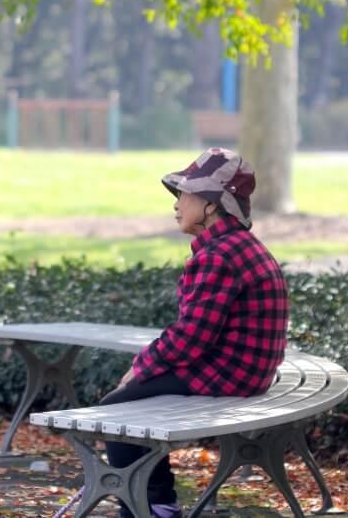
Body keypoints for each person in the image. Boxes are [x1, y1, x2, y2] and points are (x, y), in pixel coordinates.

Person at [101, 147, 289, 518]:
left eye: (185, 194)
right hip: (247, 372)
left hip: (231, 376)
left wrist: (141, 366)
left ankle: (150, 507)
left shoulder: (218, 255)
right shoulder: (238, 246)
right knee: (132, 399)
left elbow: (192, 336)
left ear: (211, 204)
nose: (176, 202)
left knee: (114, 409)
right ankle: (157, 501)